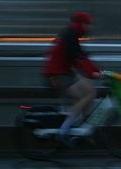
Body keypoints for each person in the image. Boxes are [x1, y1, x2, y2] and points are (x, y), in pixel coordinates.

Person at [42, 12, 102, 145]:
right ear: (81, 24)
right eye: (87, 24)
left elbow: (82, 57)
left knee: (88, 90)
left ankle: (83, 130)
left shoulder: (70, 34)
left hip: (61, 74)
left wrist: (97, 71)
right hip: (58, 76)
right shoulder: (70, 36)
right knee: (89, 94)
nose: (89, 28)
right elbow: (78, 59)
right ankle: (64, 130)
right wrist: (93, 73)